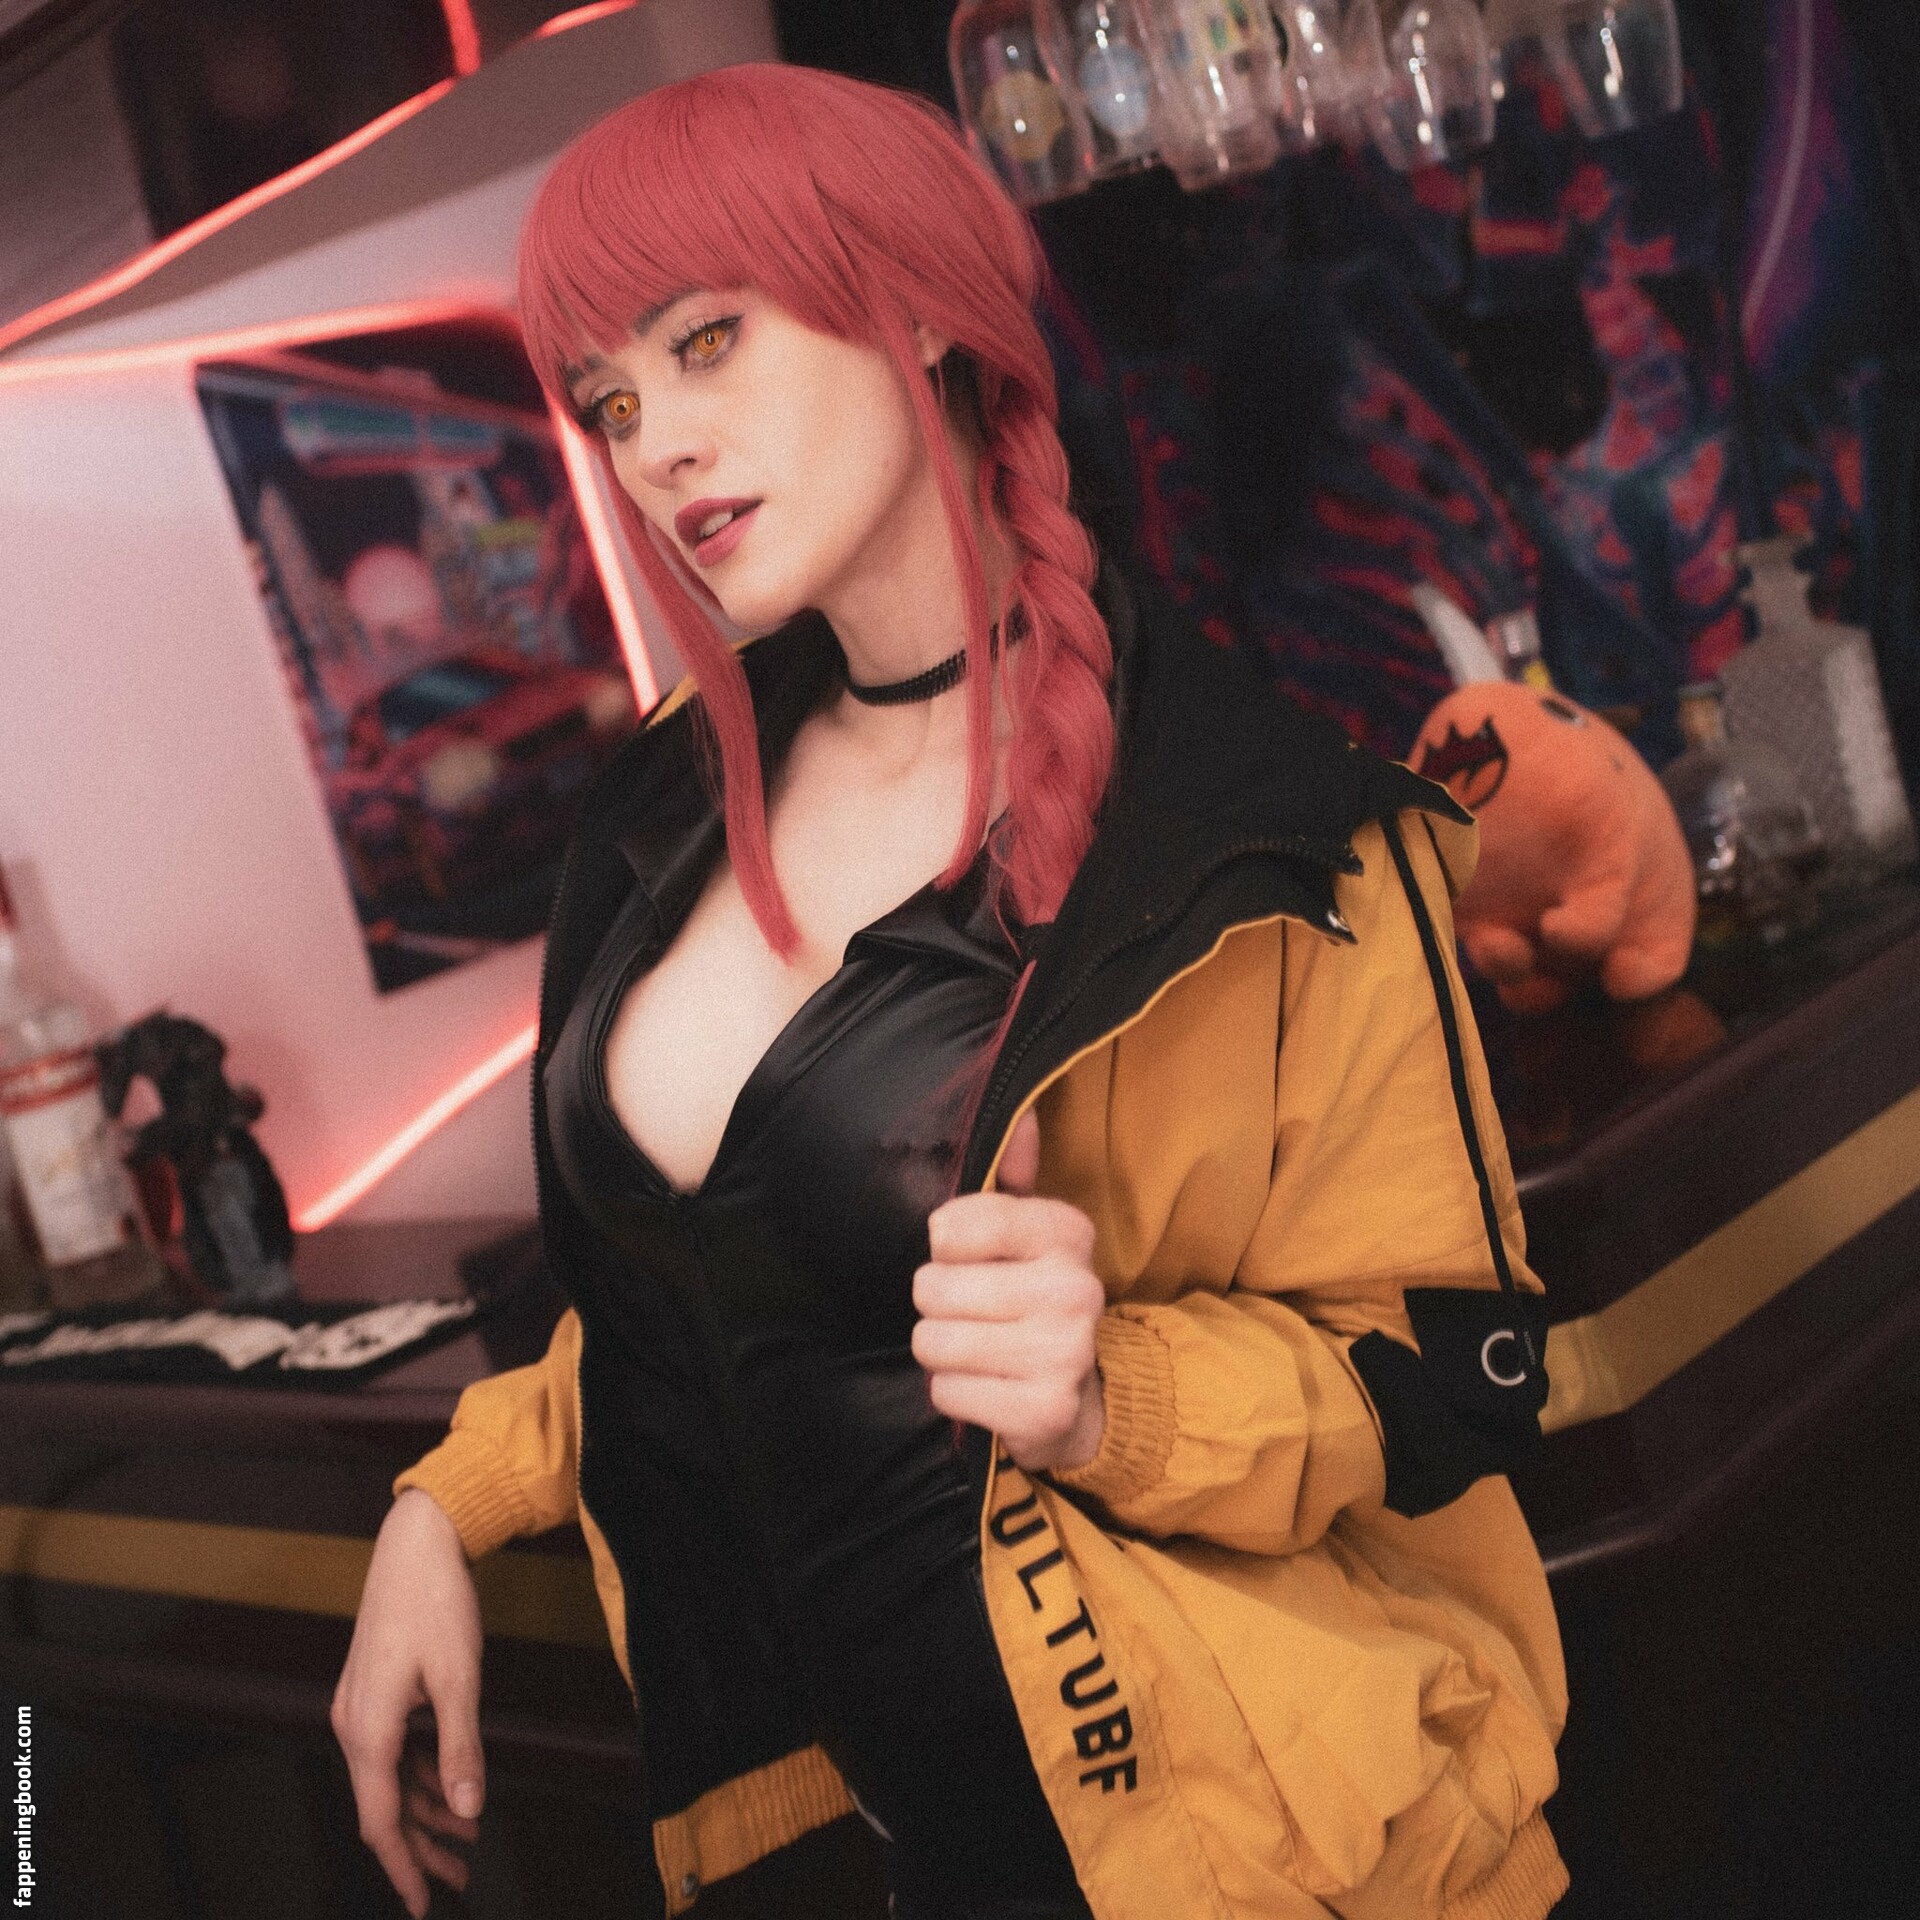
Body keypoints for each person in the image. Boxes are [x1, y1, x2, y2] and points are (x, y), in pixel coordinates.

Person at [331, 62, 1570, 1920]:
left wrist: (1113, 1398)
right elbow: (719, 1293)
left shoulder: (1261, 836)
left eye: (706, 340)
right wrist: (450, 1501)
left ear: (917, 305)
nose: (655, 447)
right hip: (861, 1854)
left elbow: (1453, 1373)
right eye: (612, 400)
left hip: (1256, 1857)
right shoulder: (664, 810)